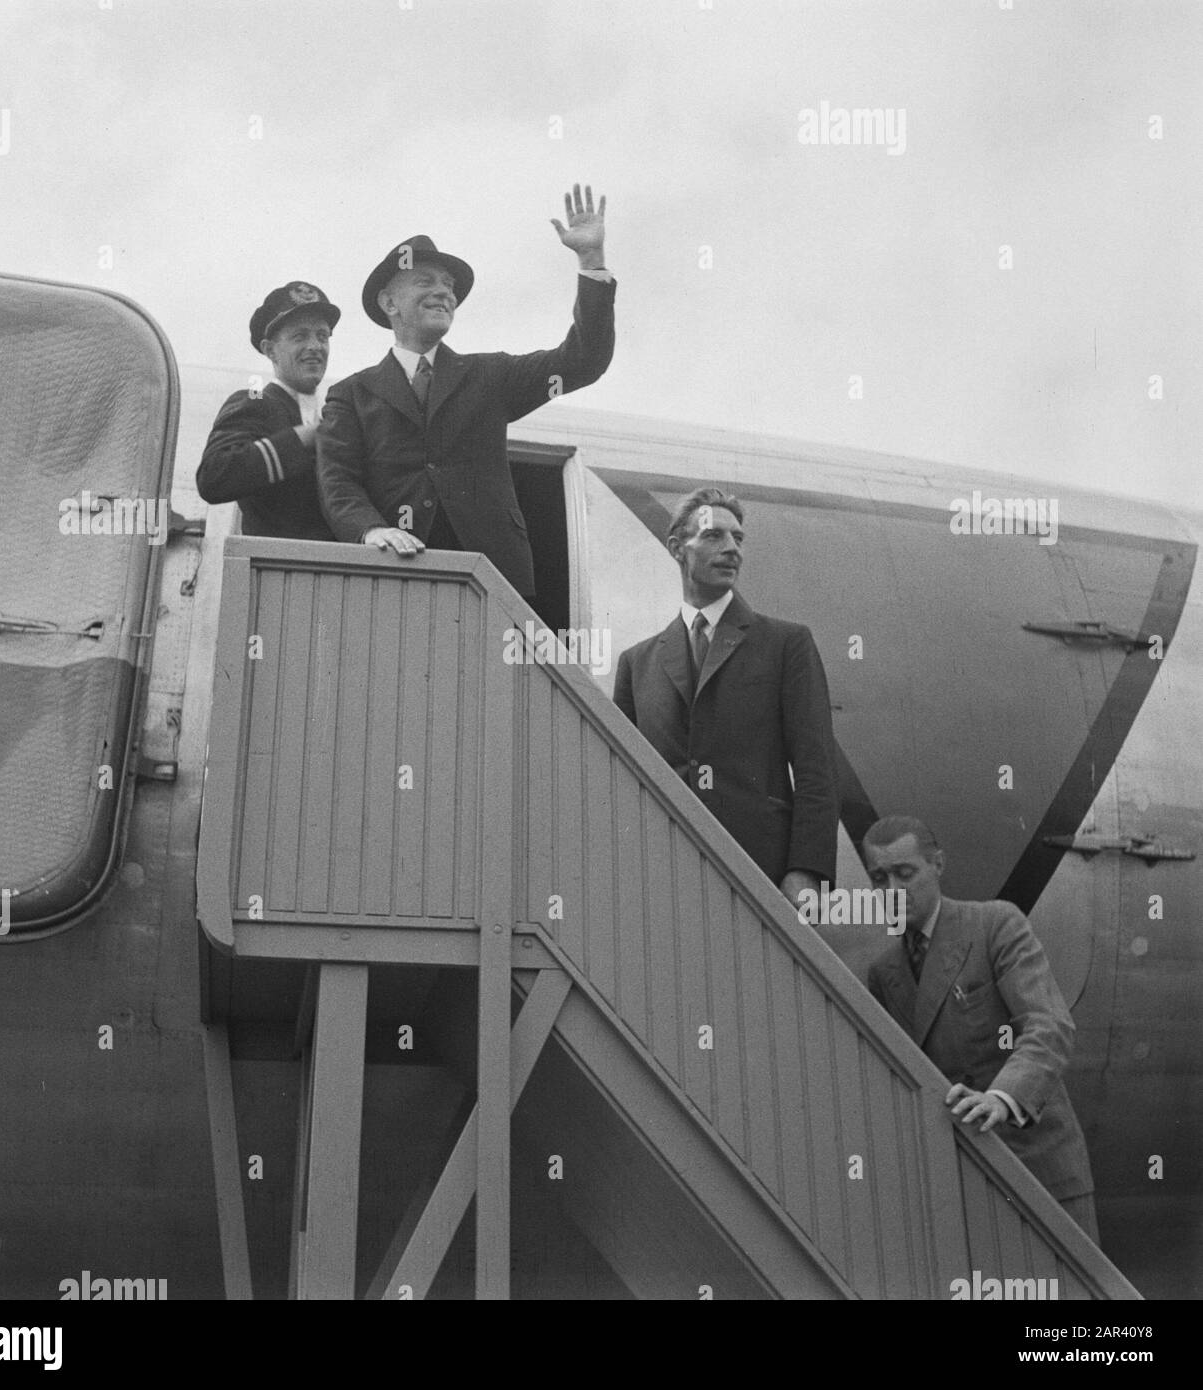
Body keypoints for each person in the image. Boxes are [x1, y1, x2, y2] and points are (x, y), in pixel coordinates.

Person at [314, 185, 616, 598]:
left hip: (492, 581)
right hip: (392, 579)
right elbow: (338, 482)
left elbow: (583, 360)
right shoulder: (351, 394)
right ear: (389, 302)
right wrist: (371, 530)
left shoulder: (490, 375)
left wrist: (591, 261)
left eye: (449, 285)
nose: (445, 292)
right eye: (426, 281)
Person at [861, 814, 1099, 1242]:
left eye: (905, 873)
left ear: (938, 864)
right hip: (962, 1189)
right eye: (879, 878)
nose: (891, 891)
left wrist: (1003, 1098)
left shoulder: (995, 925)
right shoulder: (884, 973)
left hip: (1039, 1172)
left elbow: (1049, 1025)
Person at [613, 487, 839, 902]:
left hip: (762, 873)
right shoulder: (636, 663)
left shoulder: (787, 643)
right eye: (714, 536)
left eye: (738, 538)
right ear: (677, 548)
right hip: (663, 876)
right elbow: (623, 785)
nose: (732, 548)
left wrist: (806, 871)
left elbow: (815, 765)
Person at [197, 281, 340, 539]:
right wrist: (305, 438)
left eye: (322, 336)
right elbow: (213, 477)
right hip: (274, 570)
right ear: (270, 350)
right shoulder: (254, 403)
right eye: (300, 336)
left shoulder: (335, 413)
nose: (315, 346)